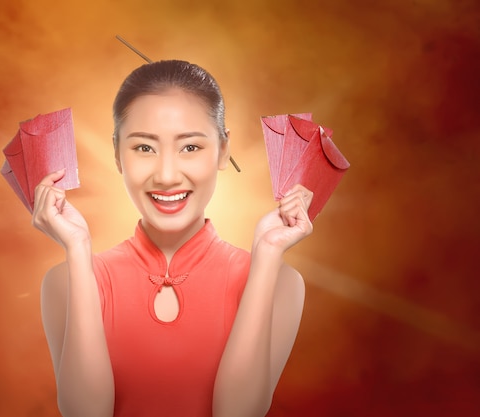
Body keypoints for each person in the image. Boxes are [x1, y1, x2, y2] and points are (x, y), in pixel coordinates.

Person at [32, 60, 314, 417]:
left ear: (224, 150)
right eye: (144, 148)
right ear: (117, 153)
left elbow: (238, 413)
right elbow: (87, 414)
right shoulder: (64, 281)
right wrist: (78, 250)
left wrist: (268, 254)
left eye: (190, 148)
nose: (166, 175)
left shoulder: (281, 283)